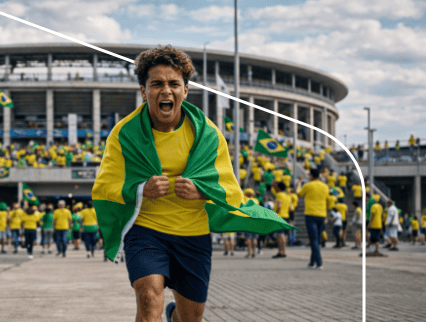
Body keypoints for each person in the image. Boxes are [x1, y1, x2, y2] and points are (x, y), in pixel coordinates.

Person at [91, 45, 290, 322]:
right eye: (156, 83)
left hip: (193, 235)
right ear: (143, 91)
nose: (166, 90)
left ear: (186, 90)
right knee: (149, 301)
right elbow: (105, 186)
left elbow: (227, 187)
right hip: (146, 231)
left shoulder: (208, 134)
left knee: (191, 319)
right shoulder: (123, 134)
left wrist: (202, 190)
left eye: (174, 83)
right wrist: (141, 189)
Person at [272, 182, 291, 258]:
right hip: (286, 216)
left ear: (279, 188)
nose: (275, 188)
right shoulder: (288, 196)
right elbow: (291, 208)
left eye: (276, 187)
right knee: (285, 235)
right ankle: (284, 251)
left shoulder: (279, 195)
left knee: (280, 235)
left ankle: (280, 251)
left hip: (280, 216)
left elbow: (279, 206)